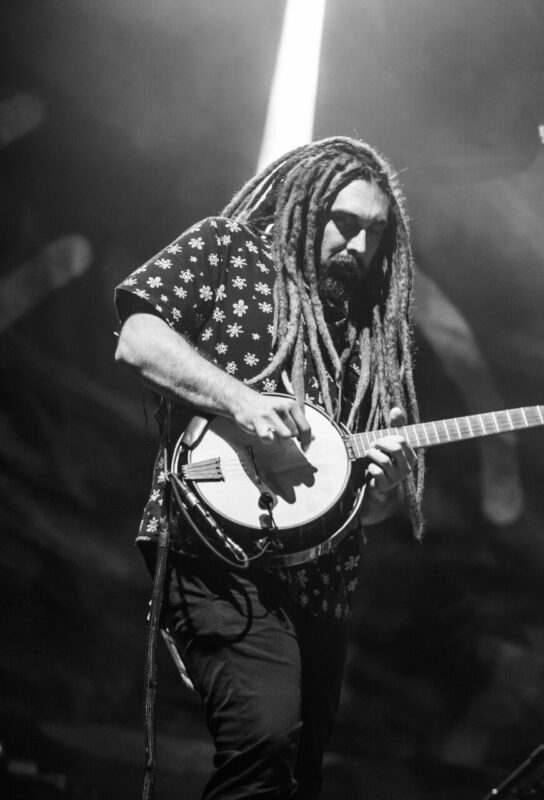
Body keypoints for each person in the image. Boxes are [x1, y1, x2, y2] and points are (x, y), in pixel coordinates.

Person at [114, 136, 426, 799]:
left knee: (296, 779)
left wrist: (387, 490)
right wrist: (242, 401)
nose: (360, 248)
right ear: (306, 207)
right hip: (212, 552)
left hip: (321, 583)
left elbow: (365, 505)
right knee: (263, 739)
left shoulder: (372, 329)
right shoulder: (225, 250)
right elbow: (139, 341)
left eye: (376, 233)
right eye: (345, 223)